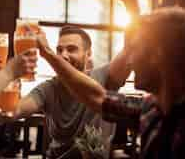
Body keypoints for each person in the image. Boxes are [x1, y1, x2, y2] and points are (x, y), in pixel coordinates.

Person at [37, 6, 185, 159]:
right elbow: (97, 97)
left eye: (135, 50)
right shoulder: (152, 109)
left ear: (158, 55)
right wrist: (47, 54)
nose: (130, 61)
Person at [15, 26, 115, 158]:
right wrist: (7, 76)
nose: (63, 55)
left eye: (71, 49)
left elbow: (130, 52)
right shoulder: (49, 88)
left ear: (88, 54)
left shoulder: (104, 76)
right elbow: (14, 111)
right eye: (59, 50)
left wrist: (133, 9)